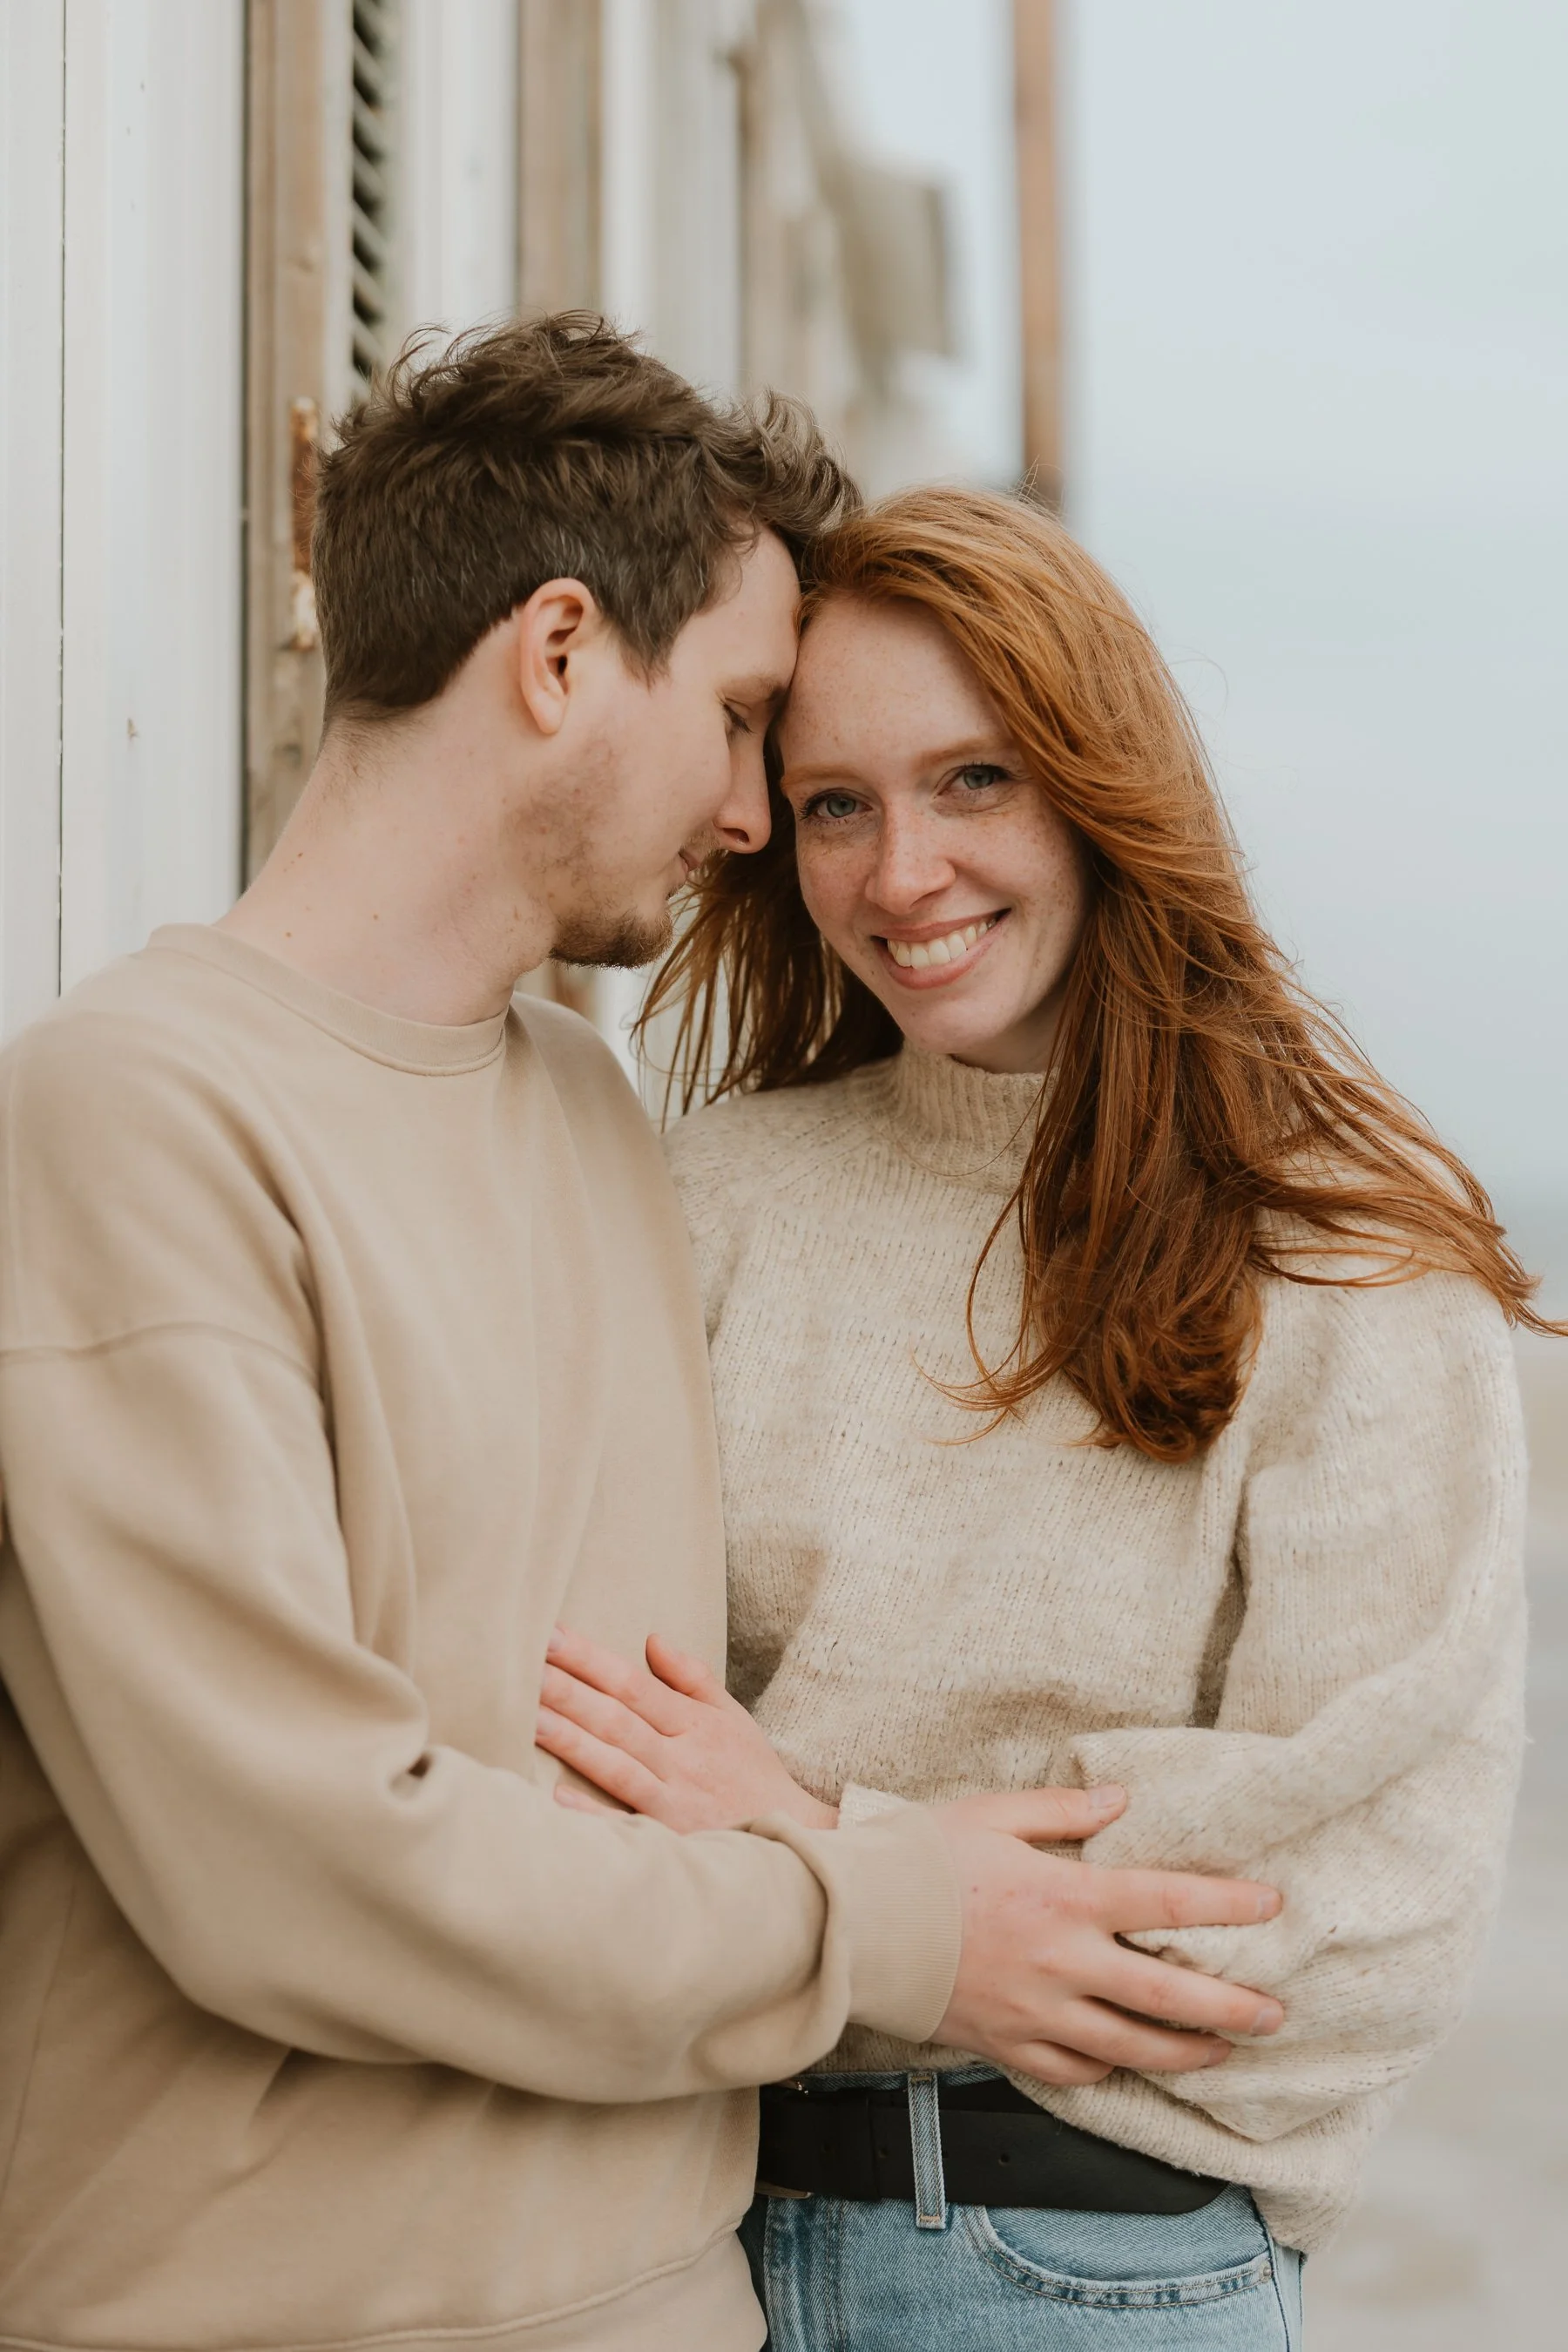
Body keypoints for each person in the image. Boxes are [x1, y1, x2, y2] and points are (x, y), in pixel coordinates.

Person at [0, 331, 1287, 2352]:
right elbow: (293, 1864)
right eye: (749, 718)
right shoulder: (135, 1116)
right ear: (563, 652)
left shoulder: (603, 1124)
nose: (765, 818)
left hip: (692, 2304)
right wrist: (892, 1915)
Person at [534, 485, 1541, 2350]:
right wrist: (941, 1924)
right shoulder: (704, 1201)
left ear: (1098, 782)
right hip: (659, 2255)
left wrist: (820, 1839)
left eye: (976, 779)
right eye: (838, 803)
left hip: (1096, 2282)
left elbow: (1350, 1911)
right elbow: (576, 1746)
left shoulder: (1340, 1254)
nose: (901, 871)